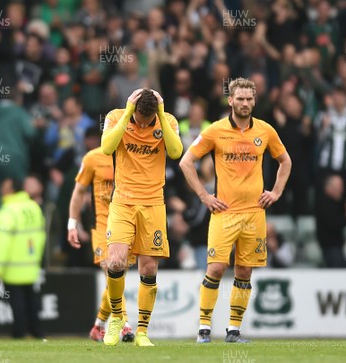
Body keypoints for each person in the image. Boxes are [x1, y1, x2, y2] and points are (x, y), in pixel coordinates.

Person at [179, 78, 292, 343]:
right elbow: (186, 162)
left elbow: (285, 161)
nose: (244, 103)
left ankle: (233, 330)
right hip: (224, 212)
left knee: (244, 271)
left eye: (249, 99)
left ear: (255, 100)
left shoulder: (265, 131)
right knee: (216, 268)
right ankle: (204, 327)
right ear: (230, 100)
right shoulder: (215, 131)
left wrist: (276, 192)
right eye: (239, 98)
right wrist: (205, 196)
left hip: (254, 213)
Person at [100, 88, 183, 347]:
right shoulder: (116, 117)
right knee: (115, 261)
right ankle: (116, 317)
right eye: (140, 119)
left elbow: (176, 152)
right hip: (123, 200)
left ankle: (143, 332)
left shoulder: (167, 120)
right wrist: (127, 115)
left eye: (149, 121)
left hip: (153, 203)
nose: (144, 125)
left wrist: (159, 112)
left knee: (149, 268)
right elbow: (106, 148)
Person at [67, 127, 134, 342]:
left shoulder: (132, 156)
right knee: (111, 270)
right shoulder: (92, 159)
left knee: (116, 278)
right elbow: (78, 192)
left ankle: (98, 326)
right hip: (102, 227)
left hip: (125, 225)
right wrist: (72, 224)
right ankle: (124, 324)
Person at [0, 177, 46, 339]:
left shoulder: (7, 211)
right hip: (31, 264)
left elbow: (2, 243)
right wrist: (36, 258)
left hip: (13, 267)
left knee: (17, 302)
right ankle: (37, 332)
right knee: (32, 300)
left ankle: (19, 333)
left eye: (4, 186)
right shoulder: (34, 207)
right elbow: (41, 237)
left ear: (11, 190)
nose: (1, 189)